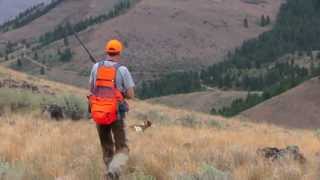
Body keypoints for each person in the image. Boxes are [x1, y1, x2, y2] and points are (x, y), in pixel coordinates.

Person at [88, 39, 135, 180]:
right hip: (116, 114)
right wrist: (121, 94)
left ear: (107, 51)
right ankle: (113, 173)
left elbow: (92, 88)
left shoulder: (96, 67)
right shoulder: (122, 70)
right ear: (119, 52)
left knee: (106, 145)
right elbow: (131, 95)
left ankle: (110, 173)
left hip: (99, 112)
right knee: (122, 147)